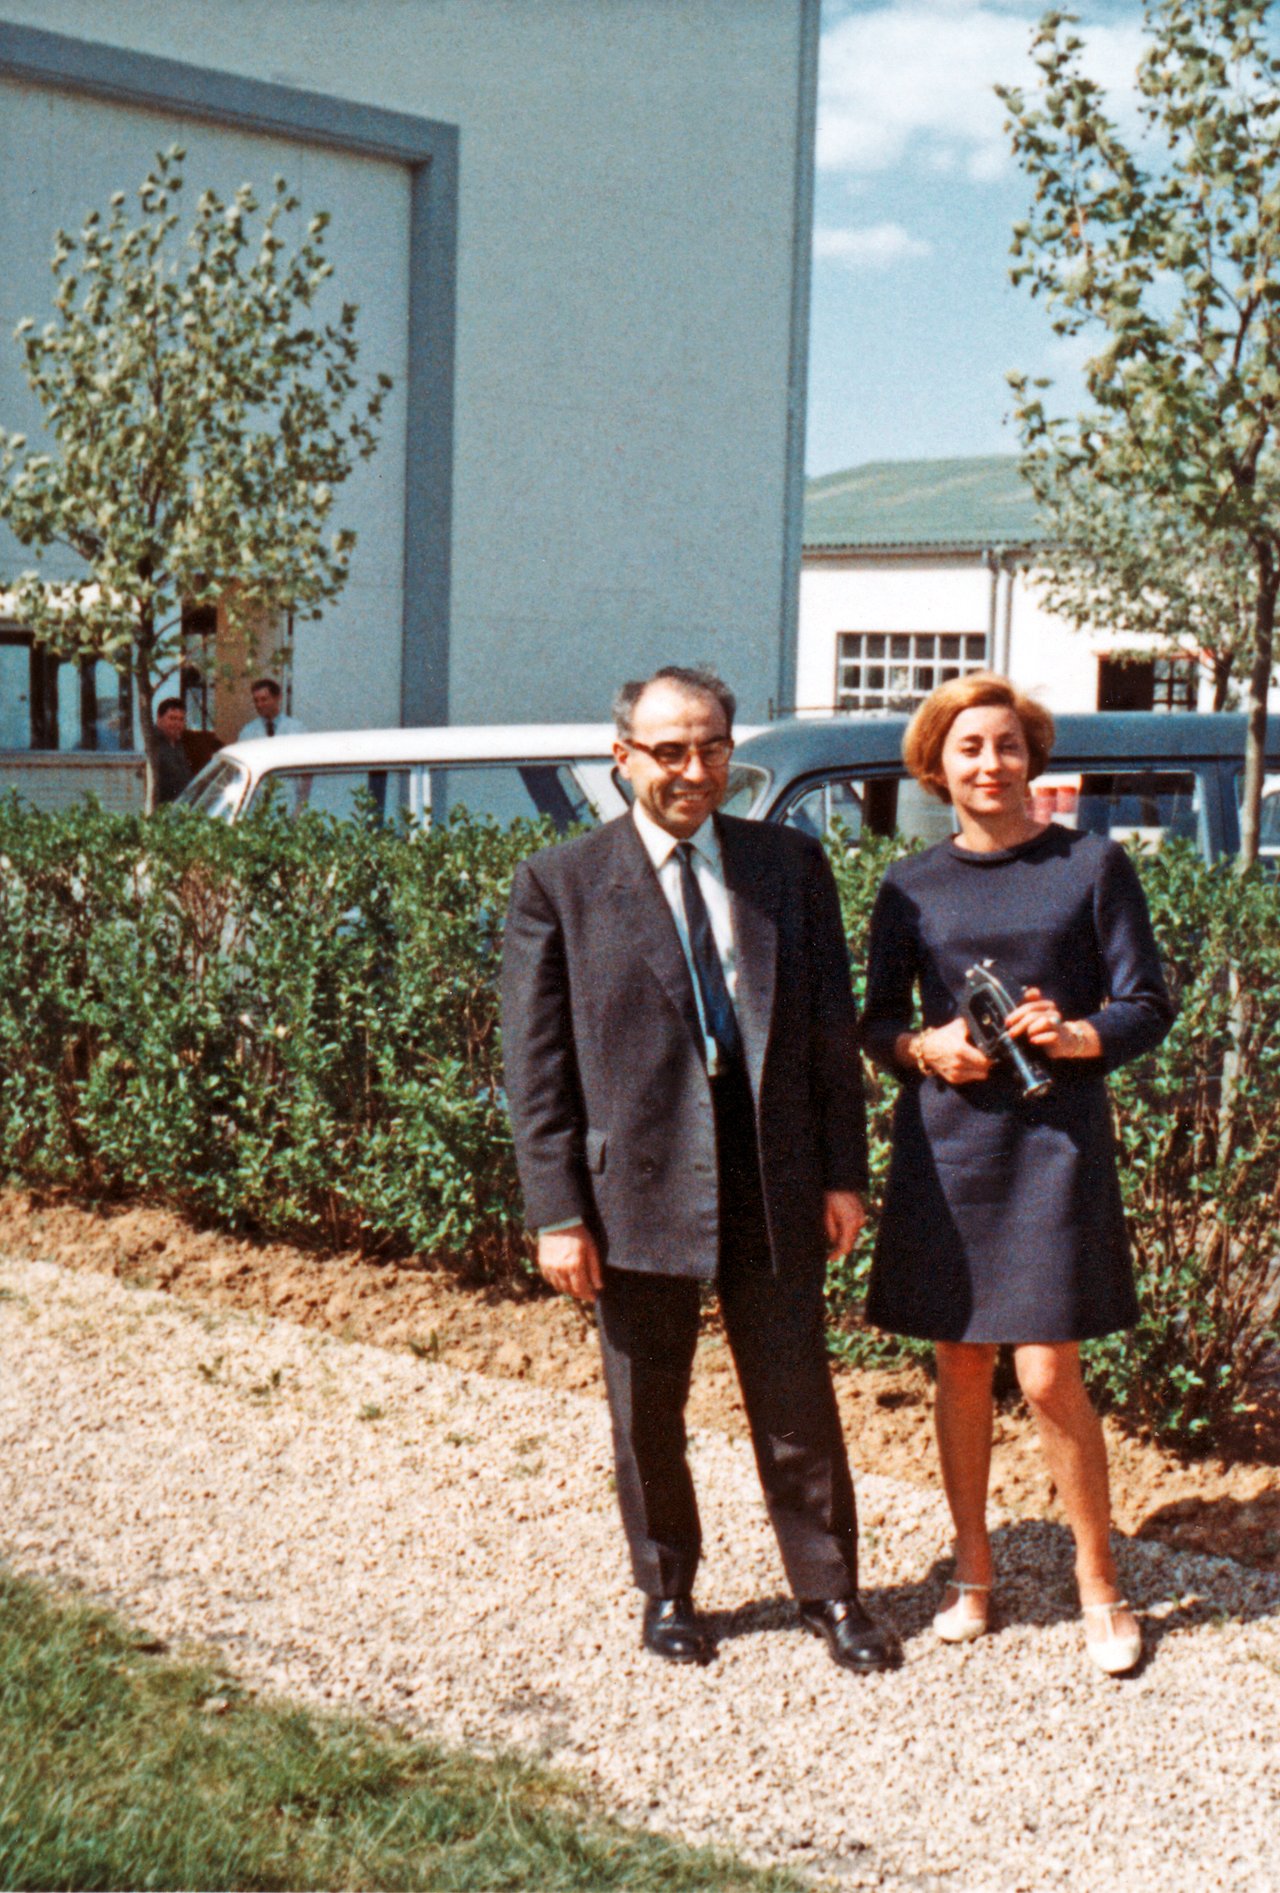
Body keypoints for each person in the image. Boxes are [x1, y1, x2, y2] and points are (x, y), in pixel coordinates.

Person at [501, 665, 901, 1674]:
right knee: (647, 1407)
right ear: (622, 755)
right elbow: (536, 1069)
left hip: (769, 1172)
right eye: (669, 749)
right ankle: (668, 1589)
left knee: (795, 1391)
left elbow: (823, 1039)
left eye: (711, 746)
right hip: (629, 1185)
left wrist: (840, 1174)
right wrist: (557, 1214)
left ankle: (829, 1593)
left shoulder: (788, 868)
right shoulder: (560, 882)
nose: (693, 769)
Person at [860, 674, 1174, 1675]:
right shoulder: (907, 885)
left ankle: (1098, 1584)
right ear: (933, 766)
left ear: (1029, 759)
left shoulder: (1090, 865)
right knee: (957, 1363)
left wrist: (1078, 1033)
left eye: (1004, 745)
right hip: (950, 1146)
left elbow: (1147, 1002)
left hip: (1051, 1142)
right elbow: (872, 1023)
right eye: (966, 748)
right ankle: (971, 1574)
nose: (987, 764)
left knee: (1044, 1374)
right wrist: (924, 1050)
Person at [153, 698, 193, 804]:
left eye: (181, 719)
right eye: (172, 718)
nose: (177, 723)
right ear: (159, 719)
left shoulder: (178, 744)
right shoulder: (153, 745)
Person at [238, 679, 305, 741]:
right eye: (256, 701)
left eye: (264, 699)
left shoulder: (296, 729)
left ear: (277, 698)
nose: (259, 705)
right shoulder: (247, 732)